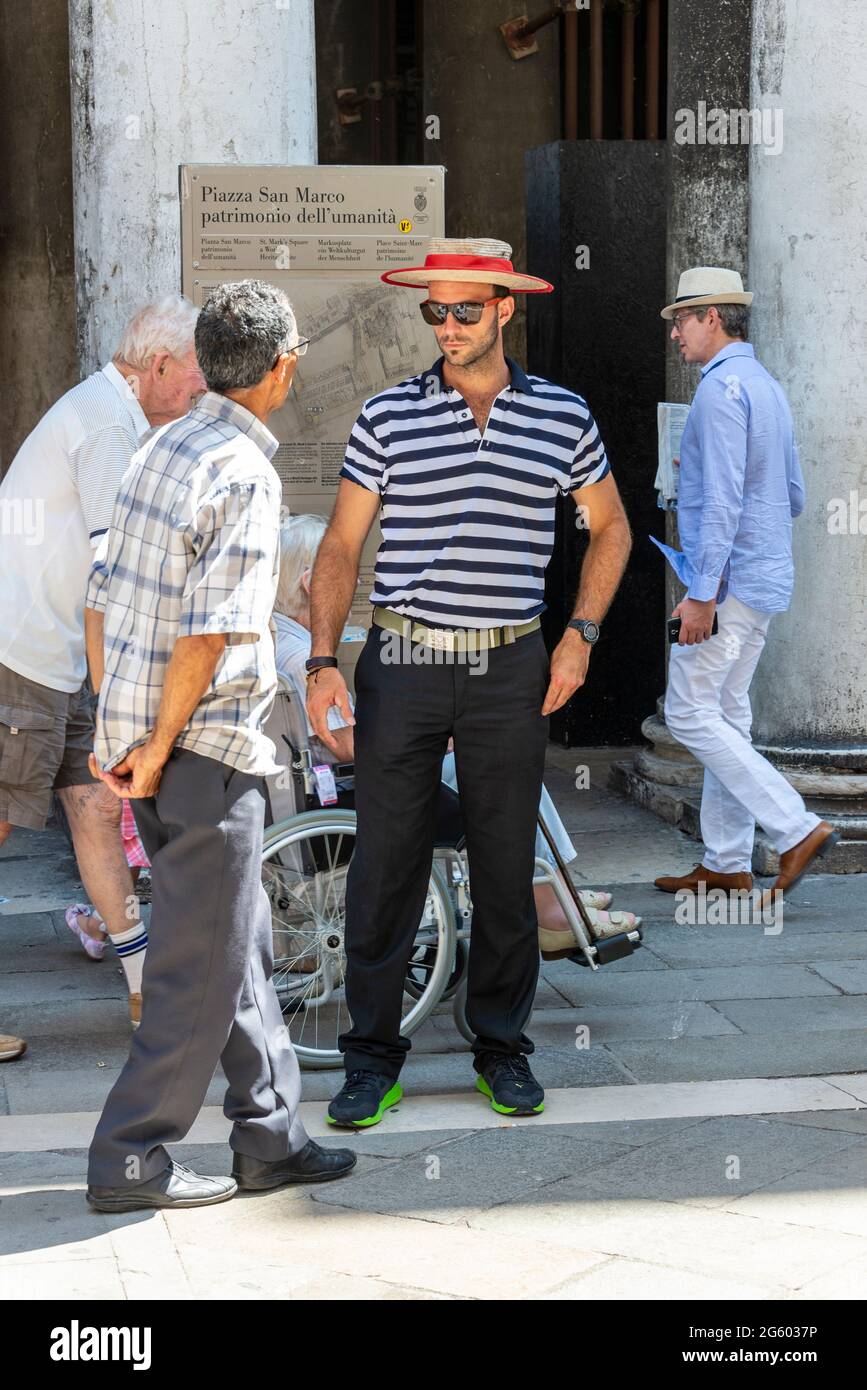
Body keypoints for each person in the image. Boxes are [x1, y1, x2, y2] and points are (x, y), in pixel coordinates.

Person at [307, 237, 632, 1125]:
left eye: (462, 310)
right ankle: (371, 1060)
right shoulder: (385, 416)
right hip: (402, 660)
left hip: (510, 661)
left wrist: (580, 639)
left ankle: (502, 1048)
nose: (445, 327)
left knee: (500, 865)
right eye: (433, 312)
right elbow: (340, 546)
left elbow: (610, 529)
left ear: (502, 310)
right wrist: (322, 660)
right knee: (384, 867)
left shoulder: (561, 416)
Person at [84, 279, 356, 1212]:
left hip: (157, 747)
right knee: (198, 969)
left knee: (232, 944)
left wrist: (123, 730)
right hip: (201, 751)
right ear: (281, 368)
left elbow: (102, 593)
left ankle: (271, 1135)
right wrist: (158, 743)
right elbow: (208, 634)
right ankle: (129, 1154)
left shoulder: (162, 444)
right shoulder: (243, 471)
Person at [273, 512, 640, 947]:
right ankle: (550, 908)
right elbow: (343, 745)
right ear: (311, 582)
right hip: (358, 785)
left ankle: (553, 889)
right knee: (508, 777)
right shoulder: (305, 660)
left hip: (327, 786)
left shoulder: (281, 640)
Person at [0, 295, 205, 1053]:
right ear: (157, 367)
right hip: (19, 652)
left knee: (92, 810)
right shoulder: (106, 427)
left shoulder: (110, 411)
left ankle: (144, 989)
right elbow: (119, 567)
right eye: (195, 381)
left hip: (54, 654)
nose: (199, 396)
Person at [652, 268, 837, 902]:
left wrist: (702, 592)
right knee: (726, 714)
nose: (676, 332)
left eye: (682, 319)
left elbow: (725, 500)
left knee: (688, 711)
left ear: (712, 318)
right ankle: (727, 861)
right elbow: (792, 494)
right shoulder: (764, 386)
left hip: (729, 585)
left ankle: (796, 827)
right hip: (759, 577)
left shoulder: (720, 390)